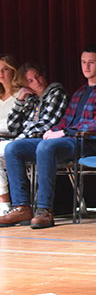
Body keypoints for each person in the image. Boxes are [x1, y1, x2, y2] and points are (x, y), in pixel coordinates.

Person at [0, 45, 96, 228]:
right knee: (13, 148)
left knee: (46, 147)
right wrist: (52, 131)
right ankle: (21, 206)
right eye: (83, 62)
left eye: (91, 63)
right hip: (67, 140)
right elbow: (65, 120)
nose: (86, 67)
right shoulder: (79, 93)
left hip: (89, 143)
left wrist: (64, 132)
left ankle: (44, 209)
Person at [0, 62, 69, 226]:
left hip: (48, 140)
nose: (37, 82)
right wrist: (20, 101)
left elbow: (46, 123)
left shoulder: (55, 92)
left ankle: (27, 206)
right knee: (11, 149)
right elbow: (13, 127)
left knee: (12, 148)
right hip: (29, 141)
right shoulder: (31, 99)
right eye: (30, 81)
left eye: (37, 76)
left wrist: (20, 138)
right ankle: (21, 207)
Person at [0, 54, 22, 215]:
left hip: (13, 140)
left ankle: (4, 202)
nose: (1, 73)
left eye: (5, 69)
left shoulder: (21, 95)